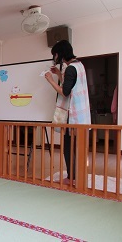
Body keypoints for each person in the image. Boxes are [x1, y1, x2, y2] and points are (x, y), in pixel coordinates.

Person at [44, 40, 91, 184]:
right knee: (77, 147)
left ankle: (72, 178)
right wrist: (59, 73)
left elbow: (65, 92)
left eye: (55, 54)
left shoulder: (70, 69)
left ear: (60, 54)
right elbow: (71, 84)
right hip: (81, 114)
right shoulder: (79, 65)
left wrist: (50, 80)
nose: (55, 57)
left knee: (68, 147)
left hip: (73, 115)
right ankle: (77, 176)